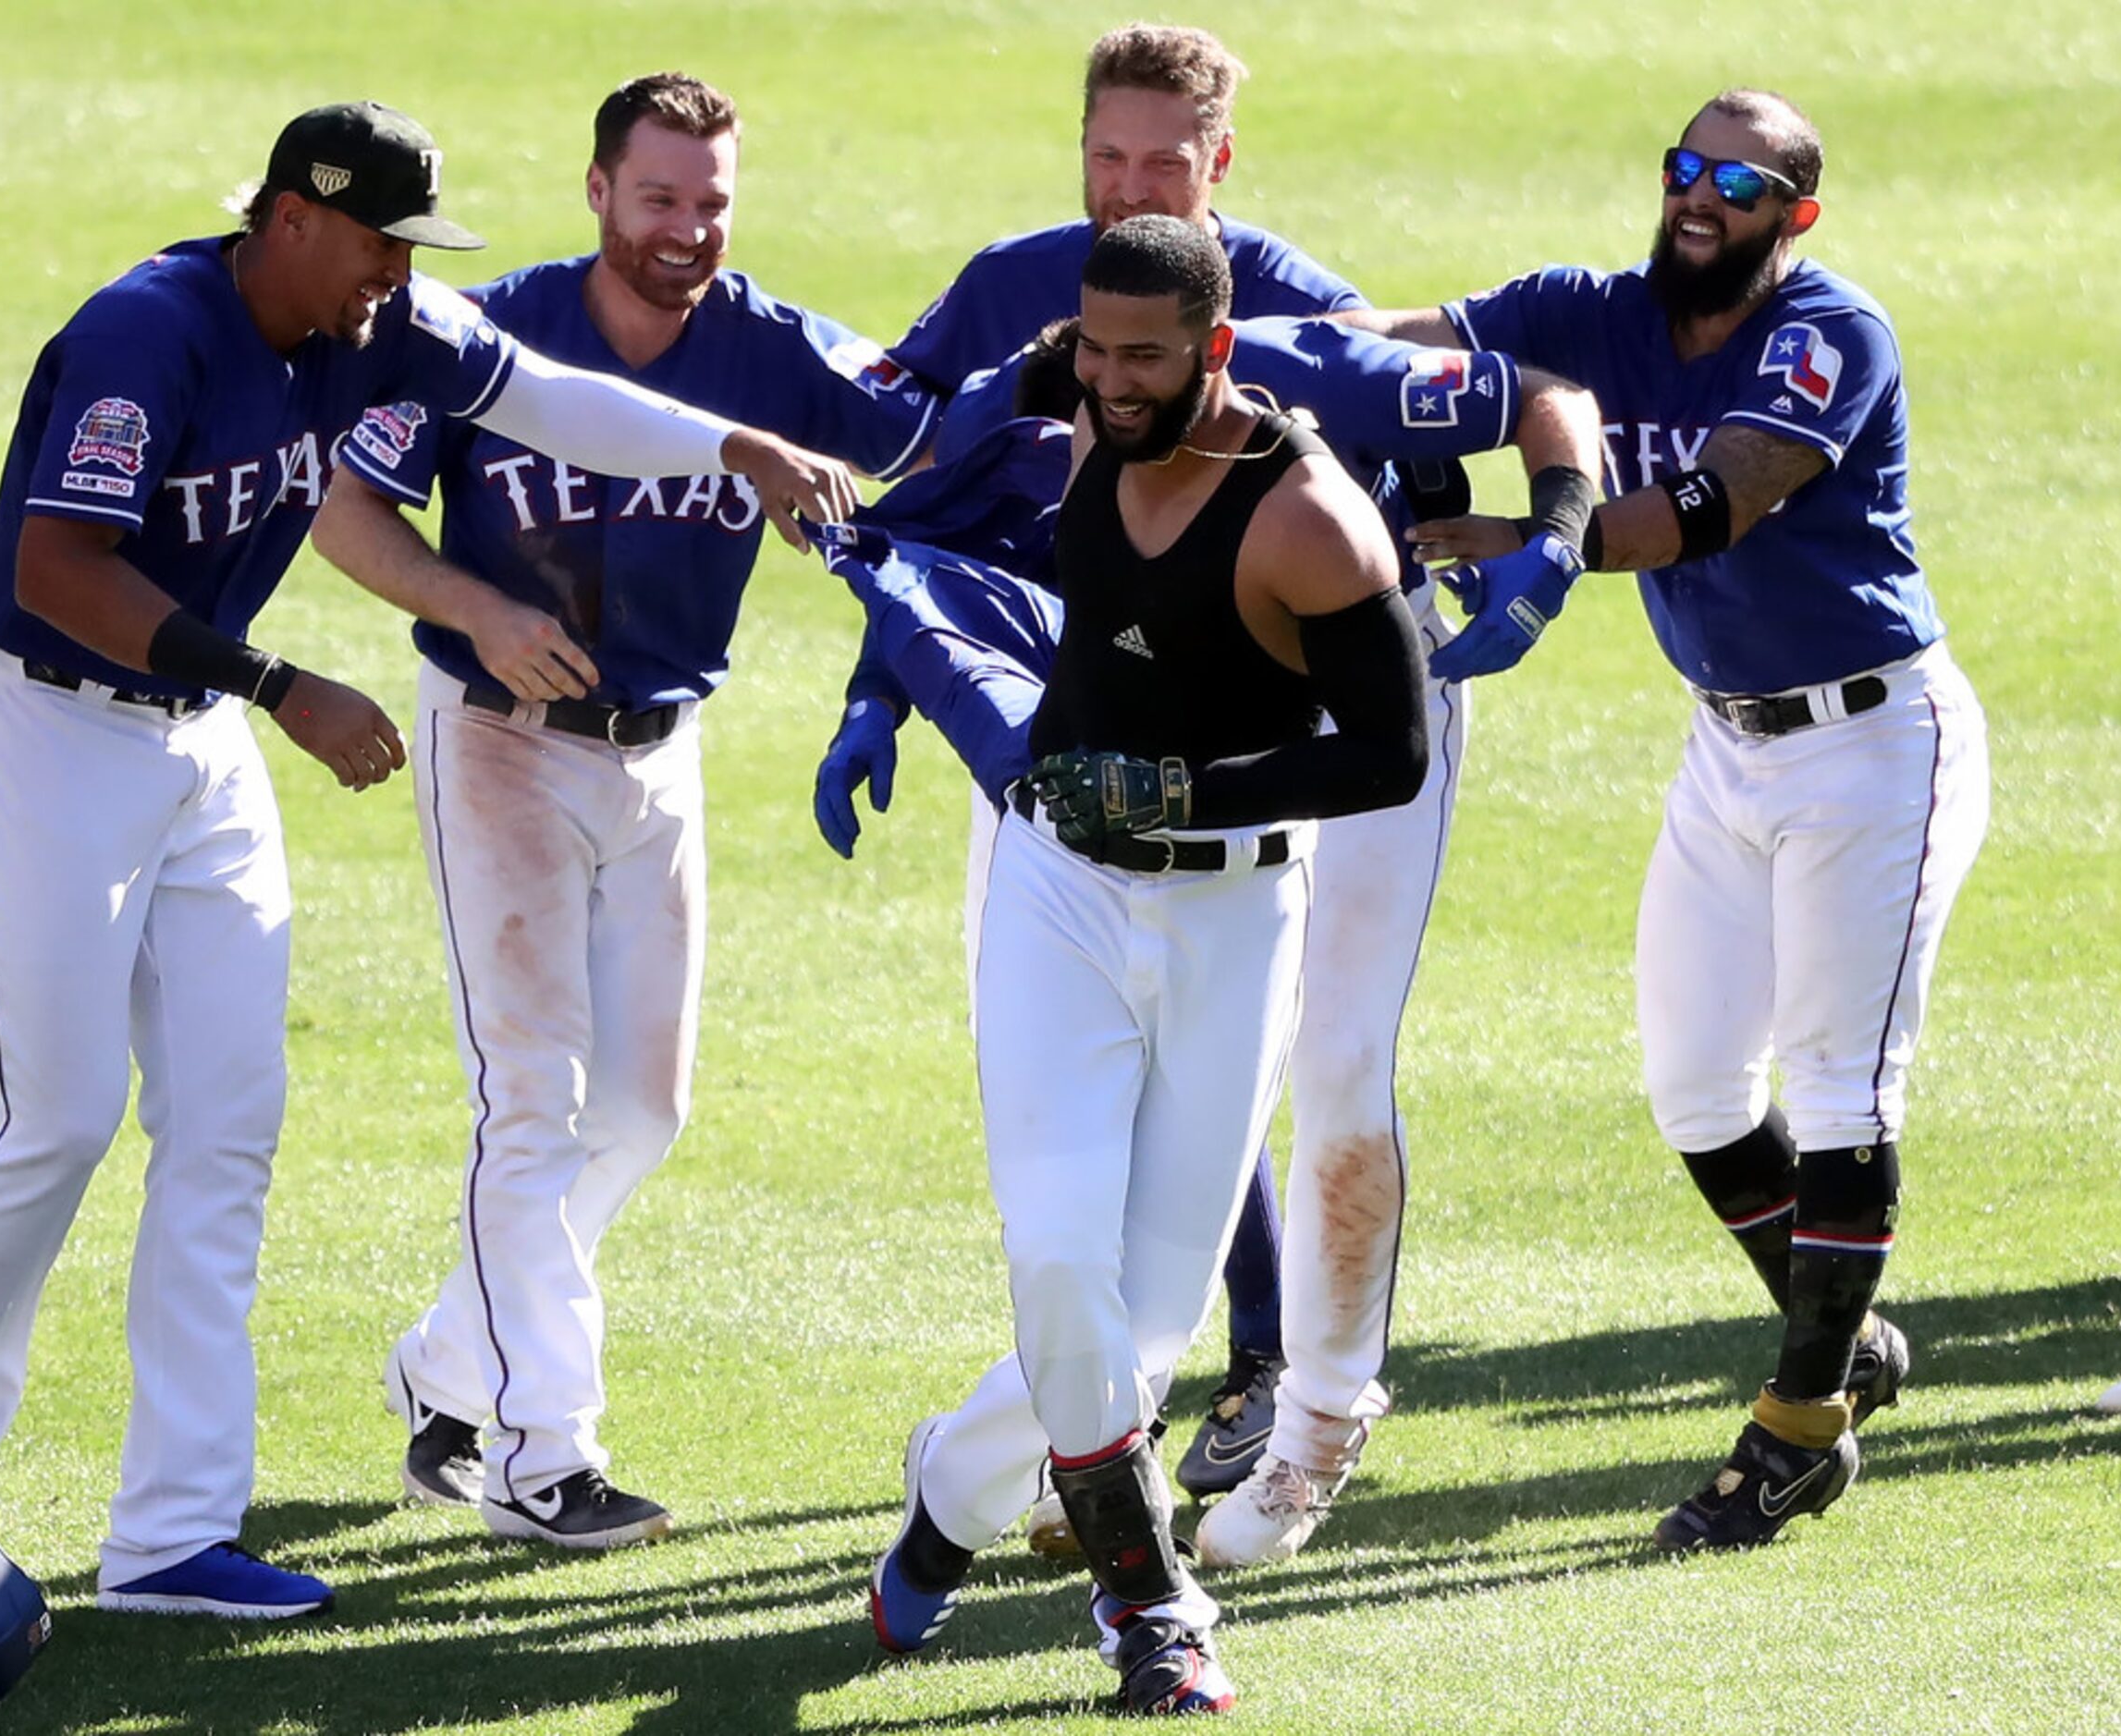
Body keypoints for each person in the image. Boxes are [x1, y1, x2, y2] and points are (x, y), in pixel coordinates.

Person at [0, 99, 856, 1620]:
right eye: (374, 244)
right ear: (289, 215)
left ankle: (170, 1536)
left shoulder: (380, 324)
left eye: (410, 251)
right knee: (59, 1118)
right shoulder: (146, 334)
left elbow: (550, 399)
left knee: (225, 1128)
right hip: (40, 721)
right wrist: (280, 684)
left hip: (195, 734)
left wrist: (735, 440)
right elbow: (54, 568)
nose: (394, 278)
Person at [1346, 88, 1989, 1551]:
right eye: (1687, 168)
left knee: (1840, 1090)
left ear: (1795, 214)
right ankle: (1849, 1339)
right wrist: (1243, 345)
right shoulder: (1593, 306)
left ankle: (1798, 1426)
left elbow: (1715, 505)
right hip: (1730, 748)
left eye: (1742, 183)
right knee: (1700, 1087)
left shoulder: (1831, 333)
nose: (1702, 197)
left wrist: (1532, 541)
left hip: (1876, 744)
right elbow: (1400, 343)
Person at [311, 72, 936, 1549]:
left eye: (713, 200)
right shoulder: (494, 329)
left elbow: (917, 438)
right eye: (659, 197)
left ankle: (452, 1360)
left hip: (663, 751)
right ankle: (544, 1450)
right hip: (501, 740)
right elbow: (342, 509)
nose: (688, 229)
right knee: (533, 1098)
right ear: (598, 190)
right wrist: (476, 608)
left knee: (643, 1110)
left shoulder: (773, 350)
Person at [865, 214, 1429, 1715]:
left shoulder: (1311, 519)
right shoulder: (1077, 388)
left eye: (1143, 359)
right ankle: (1152, 1608)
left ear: (1217, 351)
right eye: (1092, 348)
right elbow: (924, 497)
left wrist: (1189, 797)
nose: (1105, 383)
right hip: (1057, 889)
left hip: (1236, 915)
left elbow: (1394, 754)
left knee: (1148, 1320)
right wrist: (878, 672)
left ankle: (955, 1491)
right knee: (1057, 1252)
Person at [819, 19, 1366, 1512]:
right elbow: (919, 497)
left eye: (1166, 162)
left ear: (1221, 161)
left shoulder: (1298, 302)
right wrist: (881, 689)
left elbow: (1385, 495)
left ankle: (1241, 1379)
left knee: (1222, 1094)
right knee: (1072, 1132)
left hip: (1245, 774)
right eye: (1107, 155)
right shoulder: (1013, 283)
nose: (1132, 184)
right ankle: (1082, 1451)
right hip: (1042, 760)